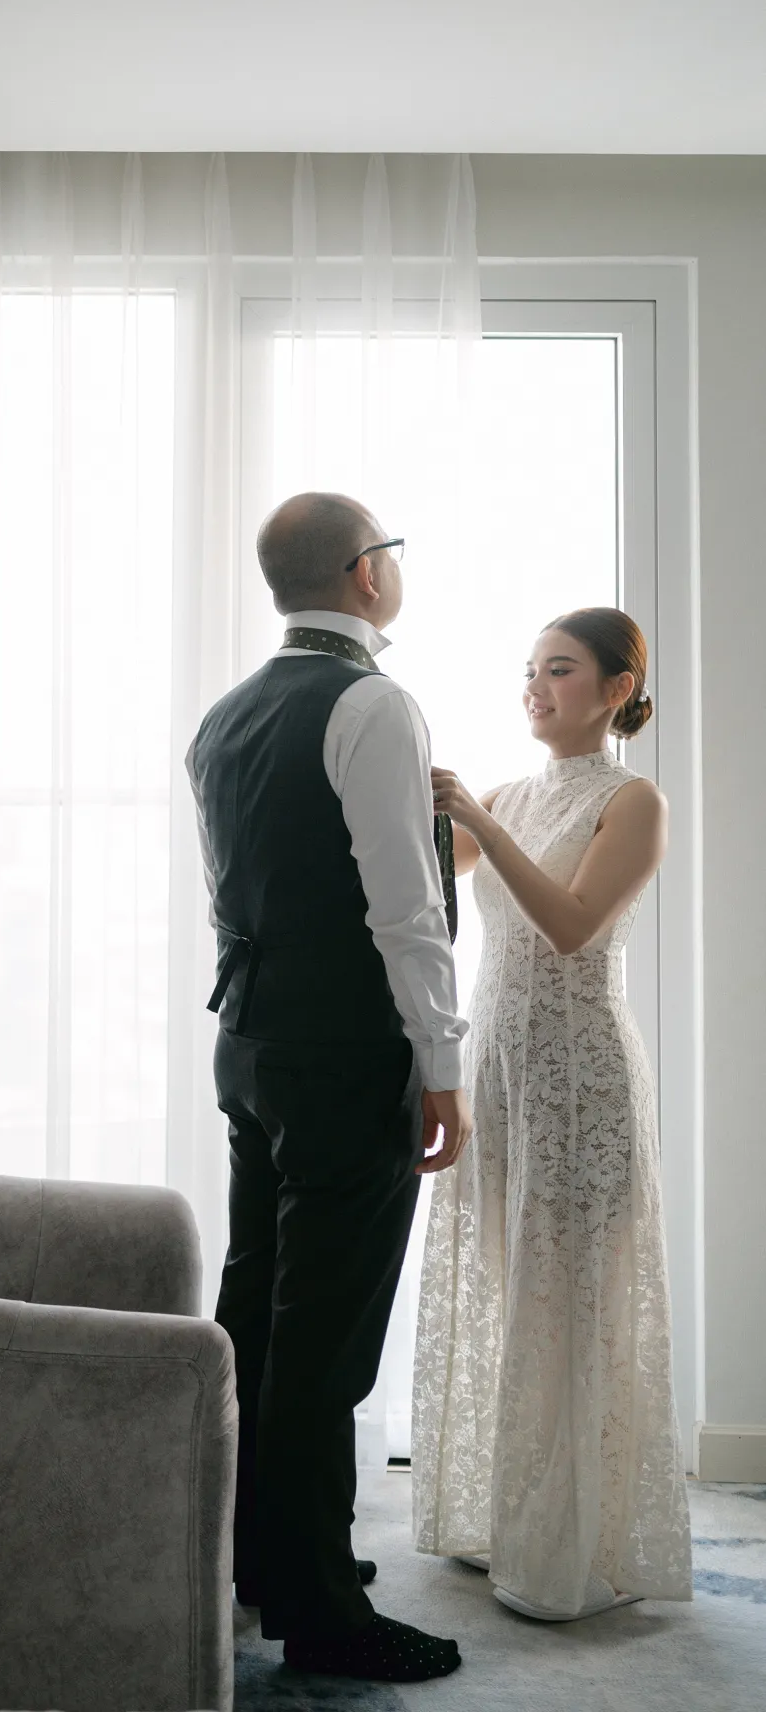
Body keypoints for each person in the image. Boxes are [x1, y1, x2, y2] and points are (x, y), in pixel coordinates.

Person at [187, 492, 471, 1684]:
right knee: (325, 1338)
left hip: (250, 1044)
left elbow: (250, 885)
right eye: (389, 551)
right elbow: (400, 912)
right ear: (363, 574)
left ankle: (255, 1562)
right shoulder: (370, 702)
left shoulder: (225, 713)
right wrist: (442, 1063)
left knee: (254, 1314)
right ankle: (321, 1611)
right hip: (346, 1055)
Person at [412, 607, 693, 1620]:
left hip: (581, 1079)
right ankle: (501, 1518)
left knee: (570, 1297)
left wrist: (482, 825)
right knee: (506, 1287)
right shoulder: (512, 790)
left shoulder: (633, 799)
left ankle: (570, 1543)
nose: (534, 687)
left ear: (615, 688)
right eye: (527, 670)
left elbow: (572, 926)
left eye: (559, 670)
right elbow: (419, 879)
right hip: (495, 1068)